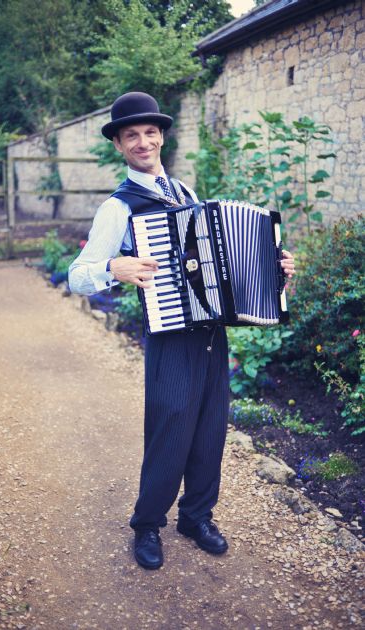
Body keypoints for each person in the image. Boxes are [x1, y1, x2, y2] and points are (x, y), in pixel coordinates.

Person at [69, 92, 295, 570]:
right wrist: (114, 265)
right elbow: (77, 274)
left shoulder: (186, 192)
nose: (143, 141)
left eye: (150, 132)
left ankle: (196, 516)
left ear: (162, 137)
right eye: (132, 135)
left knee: (211, 428)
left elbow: (221, 264)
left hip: (211, 331)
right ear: (119, 145)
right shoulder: (118, 207)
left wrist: (275, 270)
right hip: (170, 333)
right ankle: (148, 524)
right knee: (170, 427)